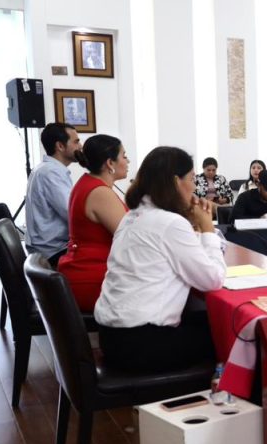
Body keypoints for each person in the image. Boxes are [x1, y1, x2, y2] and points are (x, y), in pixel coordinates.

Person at [93, 146, 225, 373]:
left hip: (111, 337)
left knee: (202, 318)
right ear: (176, 182)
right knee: (234, 332)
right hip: (143, 344)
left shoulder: (132, 216)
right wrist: (207, 228)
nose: (195, 187)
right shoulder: (170, 223)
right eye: (191, 179)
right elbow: (213, 280)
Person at [57, 135, 129, 311]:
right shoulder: (100, 192)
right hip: (92, 279)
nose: (128, 161)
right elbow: (130, 238)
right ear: (110, 163)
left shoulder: (90, 183)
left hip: (87, 270)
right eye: (124, 156)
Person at [26, 122, 82, 267]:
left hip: (48, 248)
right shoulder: (51, 173)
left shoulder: (48, 169)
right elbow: (72, 214)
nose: (80, 146)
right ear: (60, 146)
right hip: (53, 251)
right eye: (76, 142)